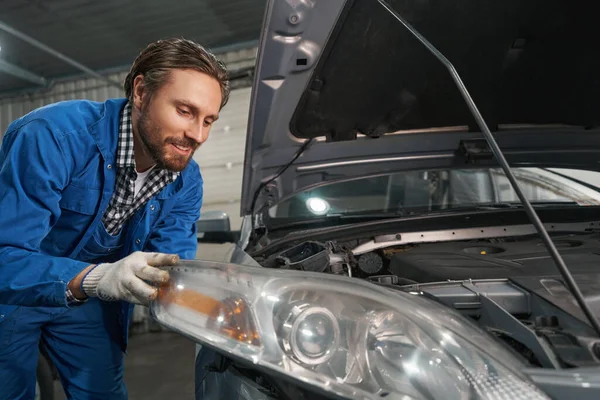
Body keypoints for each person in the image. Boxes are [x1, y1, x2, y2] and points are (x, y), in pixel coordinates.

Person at [0, 37, 229, 399]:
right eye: (185, 111)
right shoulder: (52, 137)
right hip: (13, 293)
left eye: (208, 120)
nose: (196, 135)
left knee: (103, 393)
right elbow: (4, 256)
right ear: (140, 92)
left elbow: (170, 265)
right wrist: (97, 277)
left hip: (90, 302)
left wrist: (216, 301)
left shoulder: (185, 179)